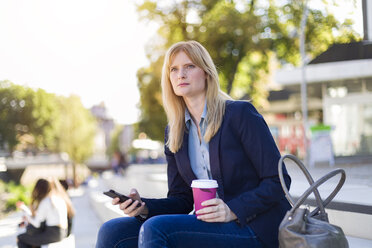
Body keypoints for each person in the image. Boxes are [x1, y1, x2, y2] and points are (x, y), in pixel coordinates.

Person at [96, 40, 291, 248]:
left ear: (206, 72)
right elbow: (182, 200)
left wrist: (232, 210)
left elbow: (279, 180)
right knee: (112, 231)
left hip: (254, 227)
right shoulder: (175, 132)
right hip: (210, 226)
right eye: (174, 69)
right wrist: (143, 207)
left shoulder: (240, 114)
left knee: (157, 229)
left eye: (189, 66)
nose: (181, 74)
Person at [16, 178, 75, 248]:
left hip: (53, 234)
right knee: (32, 232)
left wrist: (25, 212)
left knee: (21, 238)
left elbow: (37, 223)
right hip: (62, 232)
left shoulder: (46, 201)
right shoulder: (56, 198)